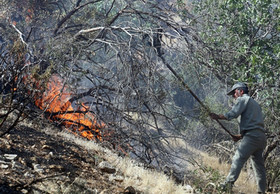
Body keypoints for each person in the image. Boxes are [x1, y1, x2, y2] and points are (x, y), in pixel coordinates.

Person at [210, 82, 267, 194]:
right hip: (261, 138)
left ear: (240, 91)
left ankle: (227, 187)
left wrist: (218, 116)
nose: (234, 96)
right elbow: (254, 123)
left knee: (238, 158)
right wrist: (240, 136)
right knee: (259, 167)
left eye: (234, 93)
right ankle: (262, 191)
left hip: (252, 137)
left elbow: (233, 114)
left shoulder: (243, 99)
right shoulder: (255, 104)